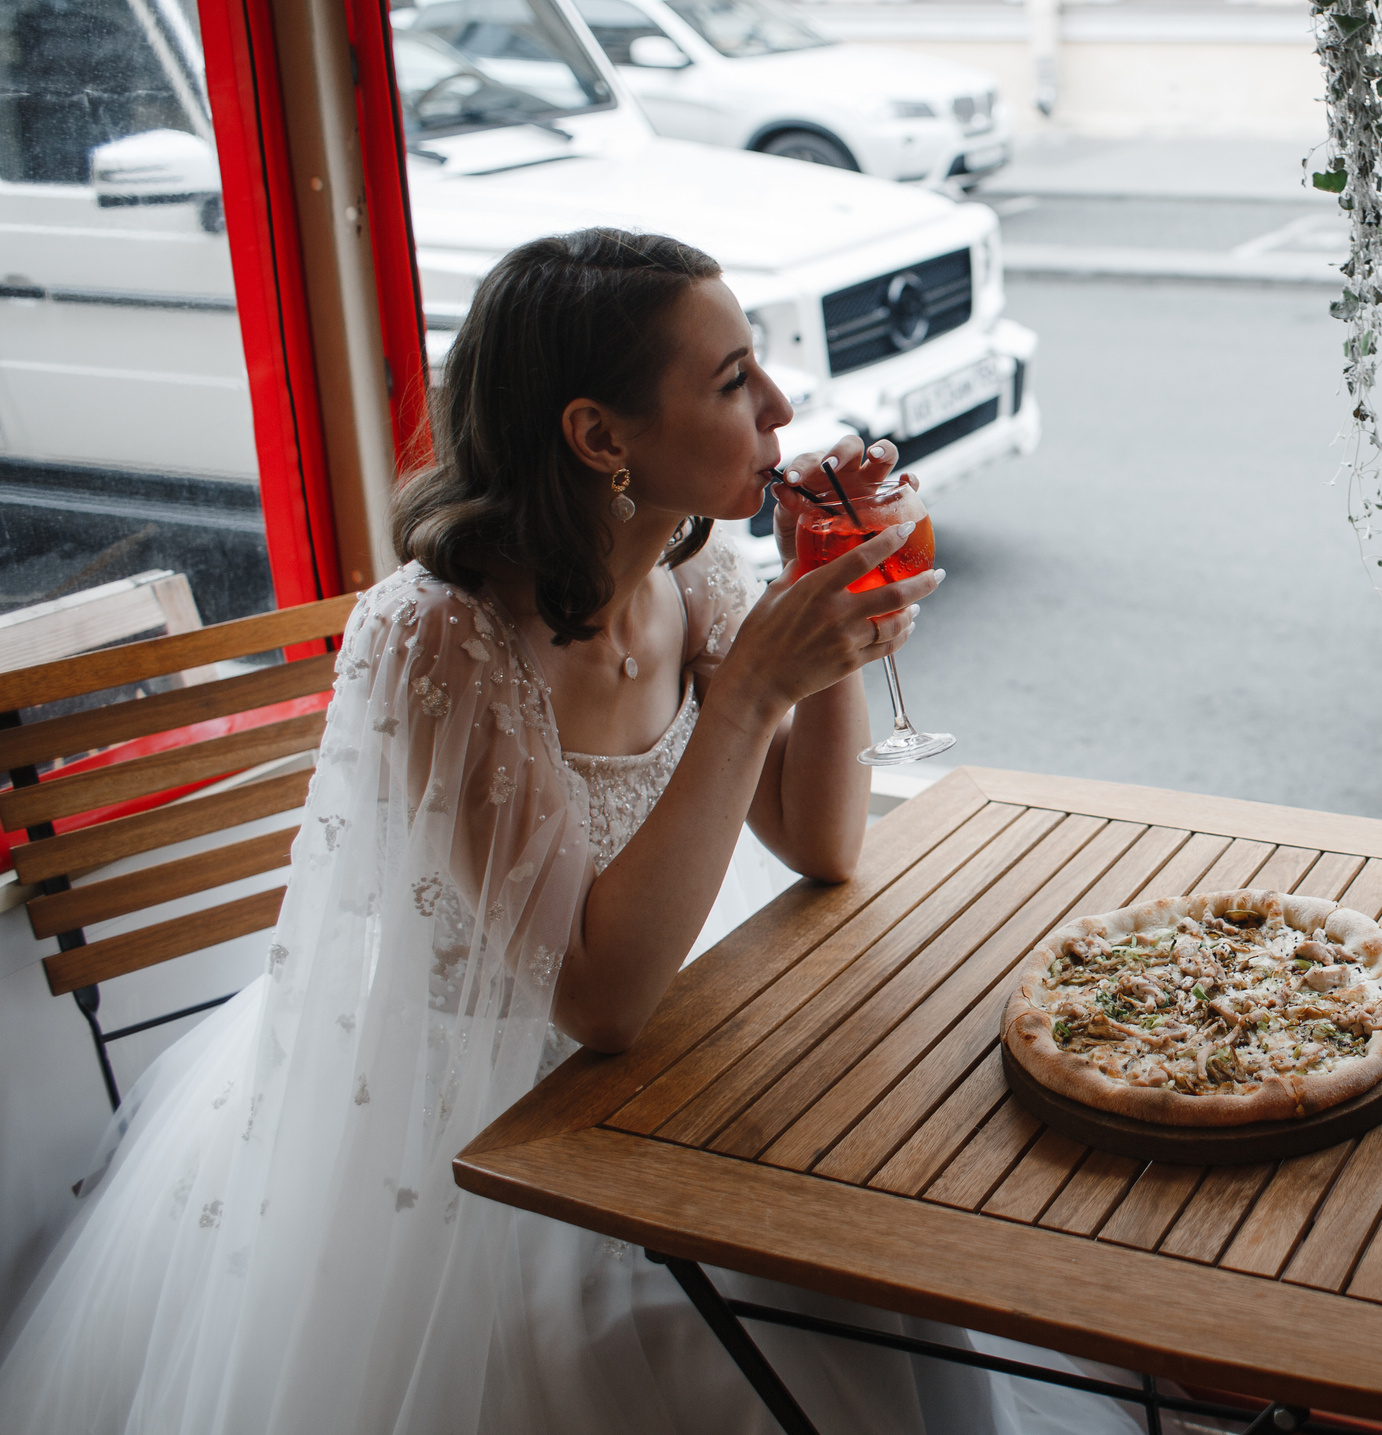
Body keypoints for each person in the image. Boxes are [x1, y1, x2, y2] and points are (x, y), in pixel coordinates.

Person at [0, 229, 1141, 1434]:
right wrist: (751, 692)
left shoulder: (686, 580)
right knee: (786, 1311)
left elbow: (822, 844)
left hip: (678, 1048)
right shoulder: (438, 639)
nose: (780, 405)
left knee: (880, 1239)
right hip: (481, 1119)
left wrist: (829, 592)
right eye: (729, 379)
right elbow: (595, 1002)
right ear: (601, 438)